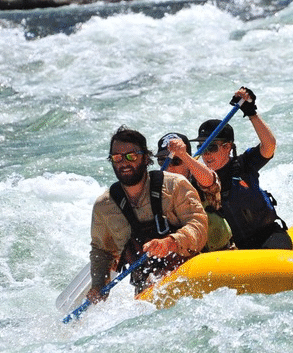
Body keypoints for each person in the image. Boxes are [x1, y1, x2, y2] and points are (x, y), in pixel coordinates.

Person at [87, 126, 208, 301]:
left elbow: (199, 226)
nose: (124, 163)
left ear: (145, 158)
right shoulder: (104, 207)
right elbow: (101, 251)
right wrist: (98, 285)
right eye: (117, 157)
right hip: (146, 294)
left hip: (190, 279)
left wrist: (171, 242)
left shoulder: (175, 185)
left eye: (131, 156)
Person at [194, 86, 292, 250]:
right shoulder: (197, 180)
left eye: (211, 147)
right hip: (233, 247)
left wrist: (251, 113)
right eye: (201, 148)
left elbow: (269, 145)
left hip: (267, 235)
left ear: (227, 147)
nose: (206, 154)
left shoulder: (244, 164)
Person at [157, 132, 234, 252]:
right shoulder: (158, 189)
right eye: (163, 161)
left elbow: (210, 182)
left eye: (176, 161)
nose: (169, 167)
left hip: (219, 253)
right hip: (185, 257)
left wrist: (183, 155)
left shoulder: (200, 179)